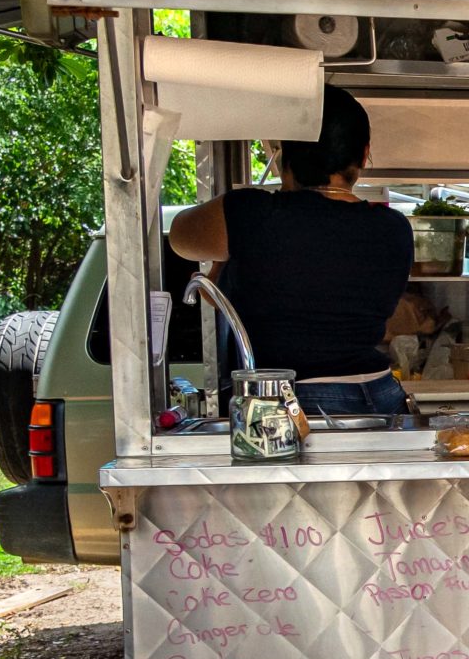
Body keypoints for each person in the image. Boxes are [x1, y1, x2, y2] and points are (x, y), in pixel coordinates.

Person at [168, 87, 415, 417]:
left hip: (297, 403)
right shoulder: (394, 227)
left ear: (286, 153)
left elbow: (180, 237)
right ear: (363, 154)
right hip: (380, 394)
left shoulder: (253, 214)